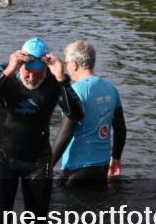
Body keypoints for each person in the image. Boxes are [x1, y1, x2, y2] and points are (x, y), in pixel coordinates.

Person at [0, 37, 83, 224]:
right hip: (3, 156)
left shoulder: (53, 80)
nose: (32, 77)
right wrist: (7, 72)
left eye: (38, 73)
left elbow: (77, 114)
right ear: (20, 65)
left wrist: (62, 79)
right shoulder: (4, 73)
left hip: (38, 161)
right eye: (27, 72)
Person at [51, 40, 126, 186]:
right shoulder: (111, 88)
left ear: (74, 64)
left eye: (66, 64)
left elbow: (65, 133)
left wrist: (47, 165)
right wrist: (115, 159)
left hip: (76, 170)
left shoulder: (75, 92)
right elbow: (120, 128)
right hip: (102, 169)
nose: (67, 68)